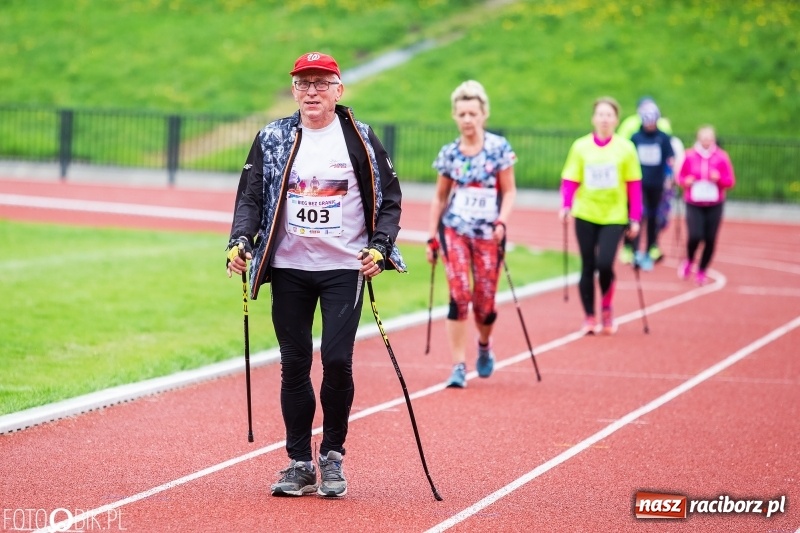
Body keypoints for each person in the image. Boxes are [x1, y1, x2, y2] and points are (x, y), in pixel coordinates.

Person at [225, 51, 406, 498]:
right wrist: (240, 241)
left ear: (339, 90)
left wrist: (380, 248)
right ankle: (300, 463)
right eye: (304, 83)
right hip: (289, 267)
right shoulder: (272, 137)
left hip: (344, 267)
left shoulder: (360, 140)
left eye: (322, 83)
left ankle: (334, 455)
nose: (312, 92)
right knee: (294, 363)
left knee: (339, 360)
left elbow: (391, 199)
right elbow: (250, 196)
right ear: (293, 90)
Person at [425, 80, 517, 389]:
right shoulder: (450, 153)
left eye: (472, 114)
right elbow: (440, 197)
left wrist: (502, 222)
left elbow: (509, 191)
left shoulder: (499, 149)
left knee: (485, 303)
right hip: (456, 231)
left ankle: (485, 344)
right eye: (462, 113)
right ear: (454, 115)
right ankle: (458, 365)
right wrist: (431, 237)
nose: (467, 119)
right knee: (459, 295)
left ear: (483, 115)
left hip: (489, 234)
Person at [559, 96, 642, 335]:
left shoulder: (626, 148)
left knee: (605, 264)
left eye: (609, 115)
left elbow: (634, 185)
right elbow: (570, 179)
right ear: (594, 119)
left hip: (614, 215)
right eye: (601, 114)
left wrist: (635, 217)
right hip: (585, 212)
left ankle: (606, 307)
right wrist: (565, 206)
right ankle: (589, 316)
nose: (605, 119)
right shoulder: (581, 147)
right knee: (587, 264)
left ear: (616, 120)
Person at [675, 125, 735, 285]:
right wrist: (685, 181)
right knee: (695, 235)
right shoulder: (689, 156)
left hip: (715, 203)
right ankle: (689, 260)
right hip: (694, 202)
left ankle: (702, 269)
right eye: (704, 138)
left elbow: (730, 181)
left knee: (710, 238)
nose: (706, 141)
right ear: (698, 138)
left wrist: (719, 179)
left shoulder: (721, 157)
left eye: (709, 138)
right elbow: (680, 177)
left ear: (714, 139)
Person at [620, 100, 675, 270]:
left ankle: (652, 246)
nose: (650, 125)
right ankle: (632, 248)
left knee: (654, 217)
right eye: (647, 121)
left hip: (657, 183)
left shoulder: (663, 137)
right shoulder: (636, 137)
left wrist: (669, 176)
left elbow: (669, 159)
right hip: (638, 184)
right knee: (637, 216)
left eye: (653, 121)